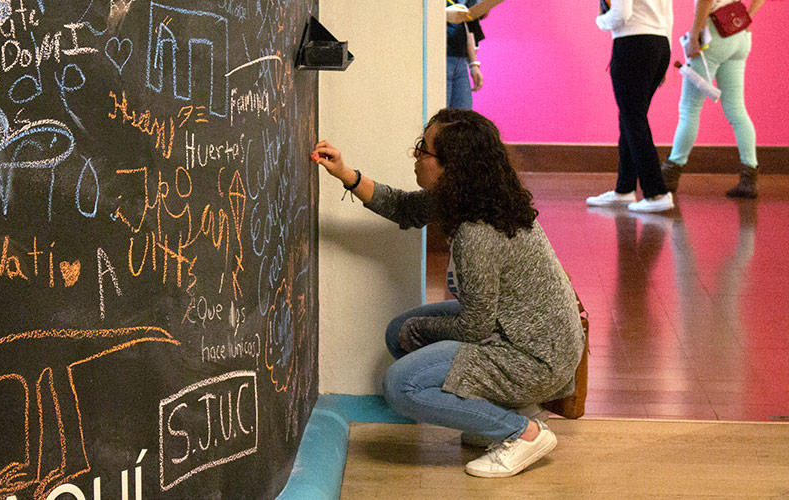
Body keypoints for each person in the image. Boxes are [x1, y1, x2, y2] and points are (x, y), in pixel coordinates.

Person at [311, 109, 585, 478]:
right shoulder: (471, 195)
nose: (416, 156)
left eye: (423, 151)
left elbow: (475, 327)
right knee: (399, 332)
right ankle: (511, 410)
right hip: (529, 339)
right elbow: (405, 208)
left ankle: (522, 432)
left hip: (535, 357)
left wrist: (423, 331)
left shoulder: (478, 230)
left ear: (452, 166)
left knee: (402, 385)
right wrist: (346, 173)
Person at [661, 0, 766, 198]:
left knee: (689, 110)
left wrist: (694, 34)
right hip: (739, 33)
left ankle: (669, 175)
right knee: (737, 110)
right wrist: (749, 15)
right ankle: (749, 179)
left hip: (714, 33)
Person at [587, 0, 675, 212]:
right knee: (630, 118)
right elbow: (669, 14)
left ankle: (656, 192)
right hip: (659, 44)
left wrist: (600, 20)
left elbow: (621, 13)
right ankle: (625, 189)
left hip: (633, 45)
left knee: (633, 119)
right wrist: (665, 52)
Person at [445, 0, 484, 109]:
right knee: (440, 113)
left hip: (460, 61)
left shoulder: (458, 2)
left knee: (464, 114)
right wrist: (444, 14)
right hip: (442, 60)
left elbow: (468, 29)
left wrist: (473, 64)